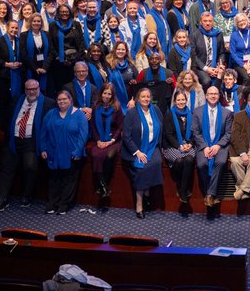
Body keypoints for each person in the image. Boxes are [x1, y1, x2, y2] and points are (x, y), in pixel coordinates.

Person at [0, 79, 46, 212]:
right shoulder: (16, 100)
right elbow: (7, 119)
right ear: (25, 90)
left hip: (31, 142)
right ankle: (2, 198)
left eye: (35, 88)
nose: (32, 91)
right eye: (29, 89)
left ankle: (26, 196)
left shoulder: (47, 103)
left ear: (39, 88)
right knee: (6, 167)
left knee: (30, 167)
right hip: (14, 140)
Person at [39, 88, 88, 215]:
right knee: (54, 179)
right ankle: (52, 203)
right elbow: (43, 133)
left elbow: (83, 136)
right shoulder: (50, 113)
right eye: (59, 99)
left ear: (70, 100)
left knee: (69, 180)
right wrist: (43, 148)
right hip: (53, 152)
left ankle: (64, 204)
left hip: (71, 154)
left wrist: (78, 152)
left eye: (64, 99)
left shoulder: (79, 115)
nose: (61, 101)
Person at [123, 86, 165, 218]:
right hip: (137, 148)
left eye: (148, 97)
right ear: (137, 99)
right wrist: (137, 152)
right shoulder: (132, 113)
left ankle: (147, 192)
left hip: (153, 146)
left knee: (155, 162)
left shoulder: (156, 110)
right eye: (143, 97)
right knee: (140, 169)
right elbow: (126, 136)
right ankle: (139, 203)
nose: (146, 99)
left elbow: (161, 129)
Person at [194, 84, 231, 209]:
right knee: (201, 164)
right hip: (203, 145)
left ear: (219, 96)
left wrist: (218, 146)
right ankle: (210, 193)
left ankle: (209, 194)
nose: (213, 96)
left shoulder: (226, 113)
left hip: (220, 145)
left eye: (215, 94)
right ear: (206, 96)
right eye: (210, 94)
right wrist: (204, 146)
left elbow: (228, 133)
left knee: (220, 162)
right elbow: (195, 132)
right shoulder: (197, 111)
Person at [89, 83, 123, 212]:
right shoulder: (96, 107)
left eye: (109, 94)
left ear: (112, 95)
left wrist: (112, 140)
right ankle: (104, 188)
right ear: (101, 94)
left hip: (114, 141)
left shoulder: (117, 108)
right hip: (100, 140)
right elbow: (93, 126)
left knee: (109, 156)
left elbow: (120, 126)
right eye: (105, 93)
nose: (107, 96)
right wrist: (98, 141)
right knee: (96, 155)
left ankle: (103, 185)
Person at [161, 87, 197, 208]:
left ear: (186, 101)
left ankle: (182, 189)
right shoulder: (169, 115)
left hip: (188, 144)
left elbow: (195, 132)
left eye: (183, 100)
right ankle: (183, 187)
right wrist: (180, 146)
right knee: (179, 161)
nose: (181, 102)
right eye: (178, 100)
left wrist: (190, 144)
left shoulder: (191, 114)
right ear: (175, 101)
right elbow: (169, 135)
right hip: (172, 145)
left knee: (189, 159)